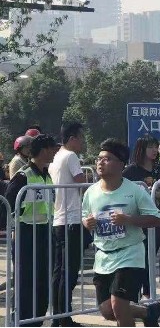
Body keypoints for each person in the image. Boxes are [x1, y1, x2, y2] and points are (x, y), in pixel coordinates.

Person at [81, 139, 160, 327]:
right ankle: (147, 312)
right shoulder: (91, 192)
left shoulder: (135, 191)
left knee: (119, 306)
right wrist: (87, 222)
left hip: (130, 254)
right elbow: (85, 216)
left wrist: (129, 220)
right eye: (99, 158)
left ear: (121, 164)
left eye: (107, 159)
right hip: (103, 256)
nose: (100, 162)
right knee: (108, 311)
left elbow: (156, 219)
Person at [5, 134, 58, 326]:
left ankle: (36, 319)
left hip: (45, 232)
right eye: (53, 149)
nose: (55, 153)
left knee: (43, 280)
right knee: (26, 282)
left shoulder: (46, 174)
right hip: (26, 233)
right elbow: (8, 206)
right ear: (44, 150)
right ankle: (22, 321)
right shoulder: (23, 176)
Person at [48, 122, 88, 327]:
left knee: (59, 270)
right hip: (72, 218)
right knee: (69, 271)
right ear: (72, 138)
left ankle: (59, 314)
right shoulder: (71, 156)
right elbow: (81, 183)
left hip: (59, 218)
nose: (82, 142)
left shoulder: (56, 156)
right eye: (80, 138)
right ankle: (64, 316)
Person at [122, 135, 160, 300]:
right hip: (135, 221)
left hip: (155, 219)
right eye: (150, 147)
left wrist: (156, 191)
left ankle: (148, 292)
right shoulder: (131, 170)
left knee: (150, 255)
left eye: (156, 147)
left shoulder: (159, 169)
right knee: (138, 257)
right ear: (141, 149)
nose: (154, 150)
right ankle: (134, 294)